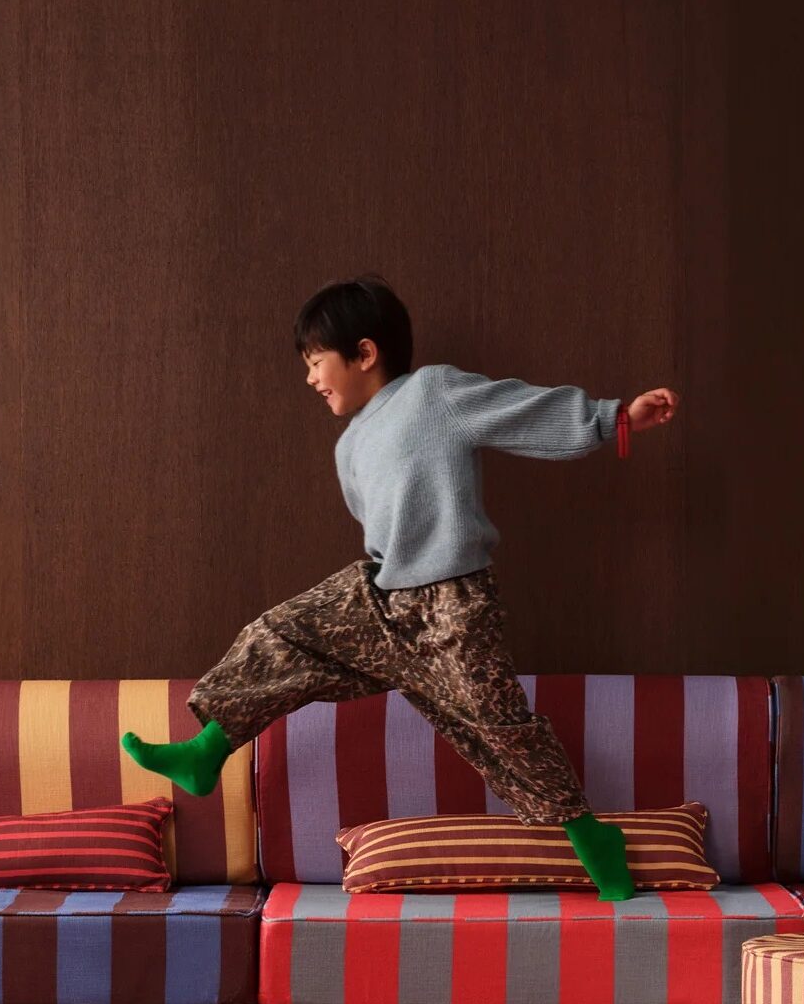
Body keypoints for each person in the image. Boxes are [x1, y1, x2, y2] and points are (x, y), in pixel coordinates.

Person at [121, 273, 680, 900]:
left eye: (316, 361)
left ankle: (591, 839)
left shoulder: (433, 393)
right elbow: (375, 521)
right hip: (382, 601)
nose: (309, 377)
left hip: (453, 605)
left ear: (364, 353)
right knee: (276, 633)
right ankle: (207, 748)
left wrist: (615, 418)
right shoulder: (348, 446)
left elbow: (523, 408)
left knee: (498, 729)